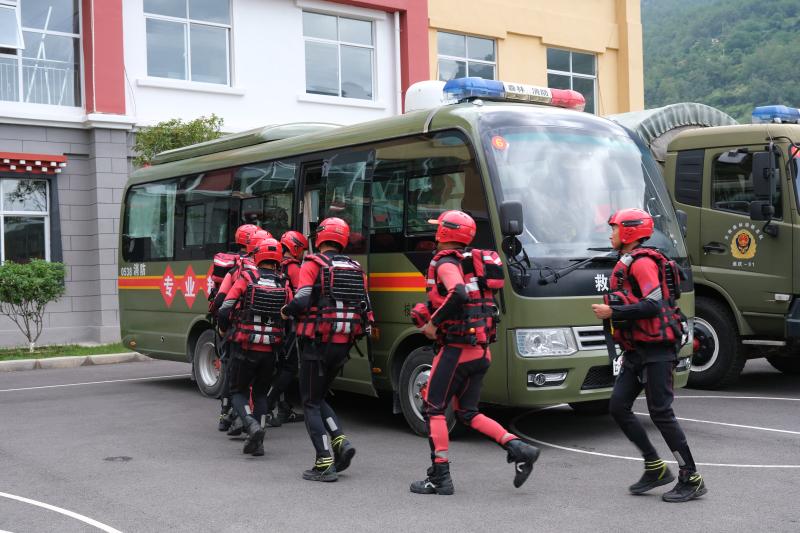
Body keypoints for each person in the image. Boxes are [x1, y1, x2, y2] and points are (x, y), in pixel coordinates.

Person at [409, 210, 540, 496]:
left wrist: (432, 323)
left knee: (433, 409)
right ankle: (519, 448)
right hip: (480, 352)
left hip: (457, 351)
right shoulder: (473, 264)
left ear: (445, 232)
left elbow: (457, 293)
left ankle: (440, 477)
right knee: (467, 413)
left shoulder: (446, 262)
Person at [591, 208, 706, 503]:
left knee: (661, 413)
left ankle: (691, 477)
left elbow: (653, 305)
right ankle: (655, 467)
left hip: (657, 350)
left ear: (629, 232)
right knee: (618, 406)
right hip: (637, 350)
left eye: (614, 228)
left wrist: (613, 311)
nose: (611, 234)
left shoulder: (642, 263)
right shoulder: (629, 260)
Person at [281, 217, 372, 482]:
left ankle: (323, 461)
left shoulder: (312, 264)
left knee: (309, 402)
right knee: (318, 397)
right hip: (344, 344)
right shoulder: (356, 268)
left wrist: (285, 311)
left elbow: (301, 300)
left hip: (316, 344)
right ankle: (340, 441)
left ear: (320, 238)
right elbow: (366, 306)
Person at [217, 237, 291, 456]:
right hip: (271, 350)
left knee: (238, 391)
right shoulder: (284, 283)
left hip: (245, 346)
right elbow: (290, 313)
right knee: (260, 394)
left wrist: (223, 330)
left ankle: (250, 425)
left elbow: (225, 308)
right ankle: (258, 445)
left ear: (257, 256)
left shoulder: (247, 277)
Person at [212, 227, 272, 435]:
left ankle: (227, 416)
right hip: (269, 336)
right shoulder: (279, 276)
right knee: (258, 386)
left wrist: (222, 328)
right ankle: (249, 422)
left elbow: (220, 301)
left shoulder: (237, 270)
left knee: (233, 374)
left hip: (238, 329)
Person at [263, 230, 309, 426]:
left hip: (272, 323)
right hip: (289, 324)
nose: (303, 254)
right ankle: (267, 406)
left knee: (279, 367)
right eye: (302, 250)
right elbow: (301, 297)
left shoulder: (275, 265)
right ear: (295, 248)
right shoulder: (294, 268)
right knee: (289, 367)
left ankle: (283, 408)